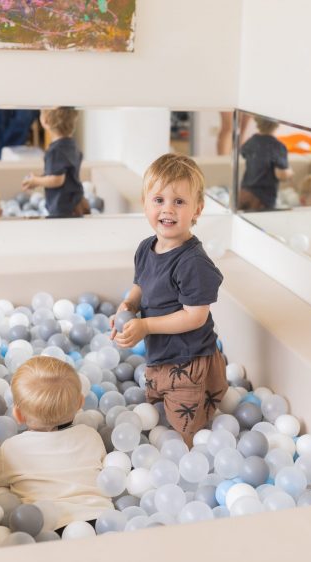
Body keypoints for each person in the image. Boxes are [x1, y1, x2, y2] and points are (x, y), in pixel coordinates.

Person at [111, 154, 227, 447]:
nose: (168, 210)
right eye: (159, 200)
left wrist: (145, 326)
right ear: (145, 204)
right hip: (160, 357)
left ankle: (191, 456)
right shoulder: (146, 248)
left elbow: (195, 316)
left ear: (197, 210)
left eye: (179, 202)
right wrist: (128, 306)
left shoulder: (193, 263)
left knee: (185, 430)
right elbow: (140, 284)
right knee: (156, 407)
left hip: (188, 361)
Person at [0, 356, 112, 530]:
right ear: (80, 402)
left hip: (49, 528)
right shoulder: (90, 436)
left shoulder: (10, 449)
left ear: (18, 414)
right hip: (103, 521)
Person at [22, 107, 85, 217]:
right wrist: (39, 178)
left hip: (61, 204)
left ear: (45, 120)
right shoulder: (72, 145)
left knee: (59, 231)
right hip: (75, 200)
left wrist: (36, 181)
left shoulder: (55, 150)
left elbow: (57, 180)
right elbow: (61, 173)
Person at [238, 116, 293, 211]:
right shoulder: (278, 146)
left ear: (257, 122)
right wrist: (290, 172)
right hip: (264, 197)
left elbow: (243, 152)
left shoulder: (251, 141)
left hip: (244, 191)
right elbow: (281, 174)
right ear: (277, 124)